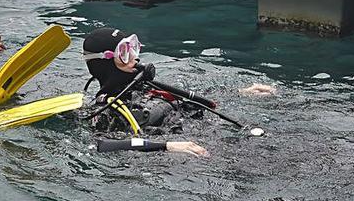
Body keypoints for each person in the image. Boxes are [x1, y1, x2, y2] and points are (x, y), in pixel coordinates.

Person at [82, 27, 275, 154]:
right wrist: (168, 147)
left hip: (206, 131)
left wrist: (240, 92)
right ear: (105, 62)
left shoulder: (143, 87)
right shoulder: (105, 111)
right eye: (124, 53)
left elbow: (190, 99)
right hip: (189, 150)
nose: (135, 58)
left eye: (133, 48)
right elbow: (102, 146)